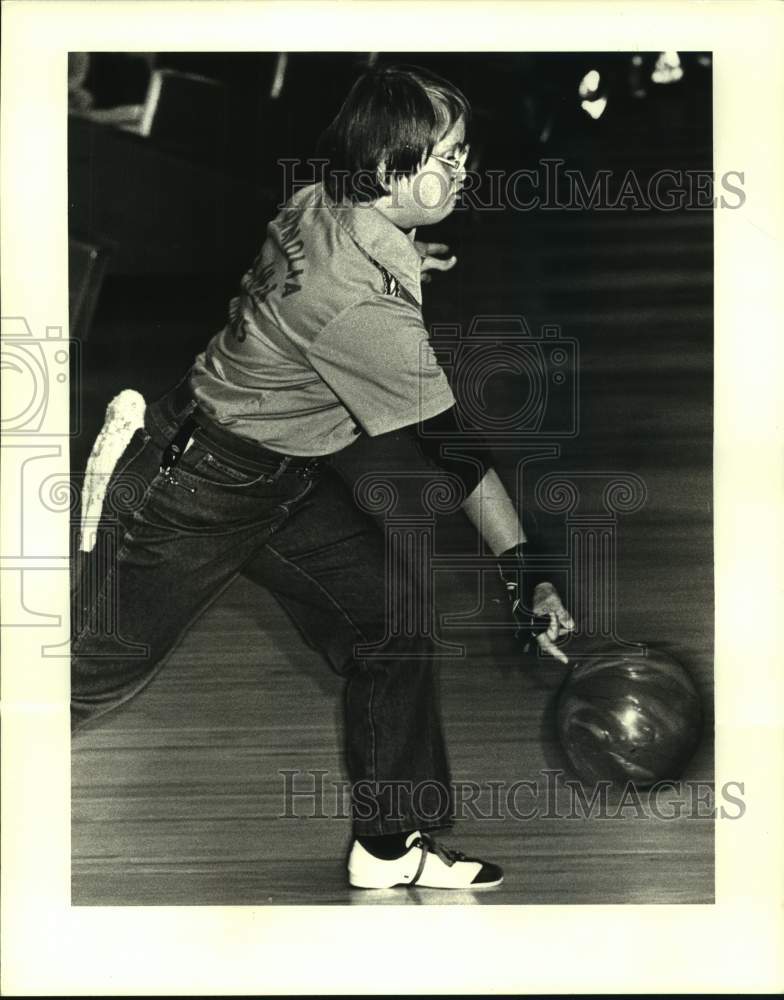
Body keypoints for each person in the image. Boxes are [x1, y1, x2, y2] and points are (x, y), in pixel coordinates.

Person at [71, 63, 574, 891]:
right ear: (386, 174)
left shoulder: (321, 195)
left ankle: (388, 845)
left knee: (392, 623)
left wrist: (413, 248)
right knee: (87, 679)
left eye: (462, 152)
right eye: (444, 158)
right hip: (191, 492)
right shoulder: (360, 310)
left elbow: (343, 252)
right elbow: (453, 451)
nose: (461, 170)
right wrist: (529, 570)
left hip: (273, 473)